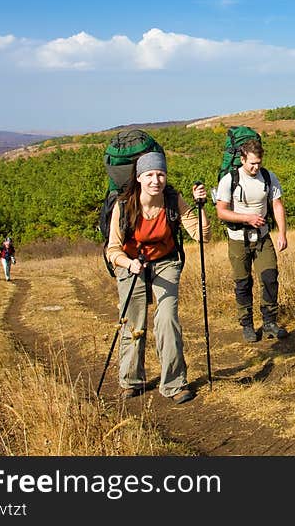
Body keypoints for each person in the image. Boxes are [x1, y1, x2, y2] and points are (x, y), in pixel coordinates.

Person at [105, 151, 211, 404]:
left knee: (167, 319)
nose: (156, 180)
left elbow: (202, 235)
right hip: (131, 263)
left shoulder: (173, 200)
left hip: (166, 262)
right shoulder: (123, 205)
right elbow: (112, 249)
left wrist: (200, 207)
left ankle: (175, 383)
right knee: (134, 323)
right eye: (150, 175)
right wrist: (128, 264)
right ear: (139, 177)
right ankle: (130, 380)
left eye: (160, 174)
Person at [214, 137, 289, 343]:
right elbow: (221, 211)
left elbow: (277, 205)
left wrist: (282, 233)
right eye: (252, 163)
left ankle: (269, 322)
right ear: (242, 159)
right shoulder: (230, 180)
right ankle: (246, 324)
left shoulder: (268, 176)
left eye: (259, 163)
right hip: (238, 238)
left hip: (263, 237)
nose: (256, 167)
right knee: (243, 282)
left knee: (270, 277)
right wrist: (247, 218)